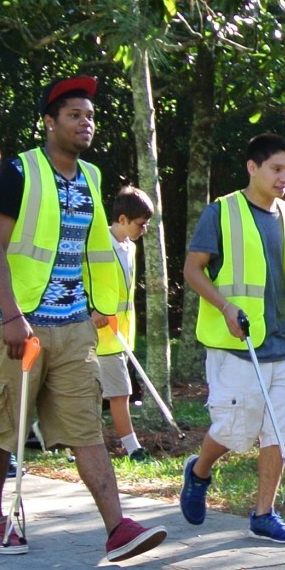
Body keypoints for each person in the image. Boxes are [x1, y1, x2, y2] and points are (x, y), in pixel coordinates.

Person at [0, 75, 166, 562]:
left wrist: (103, 307)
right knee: (3, 427)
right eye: (75, 115)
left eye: (90, 116)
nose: (86, 123)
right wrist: (14, 317)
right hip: (16, 325)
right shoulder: (18, 171)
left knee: (85, 427)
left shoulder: (93, 176)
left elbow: (94, 249)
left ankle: (118, 527)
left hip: (74, 325)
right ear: (49, 122)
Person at [178, 134, 285, 544]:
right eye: (276, 168)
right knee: (235, 429)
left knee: (281, 430)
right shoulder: (222, 212)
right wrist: (225, 307)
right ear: (252, 168)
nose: (284, 177)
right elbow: (193, 269)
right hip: (239, 347)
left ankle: (263, 514)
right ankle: (199, 471)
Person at [97, 186, 154, 462]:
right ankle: (133, 450)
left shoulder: (129, 247)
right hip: (101, 334)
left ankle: (43, 433)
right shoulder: (98, 244)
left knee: (102, 393)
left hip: (120, 332)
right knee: (120, 392)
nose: (145, 229)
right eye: (141, 224)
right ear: (122, 220)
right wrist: (91, 309)